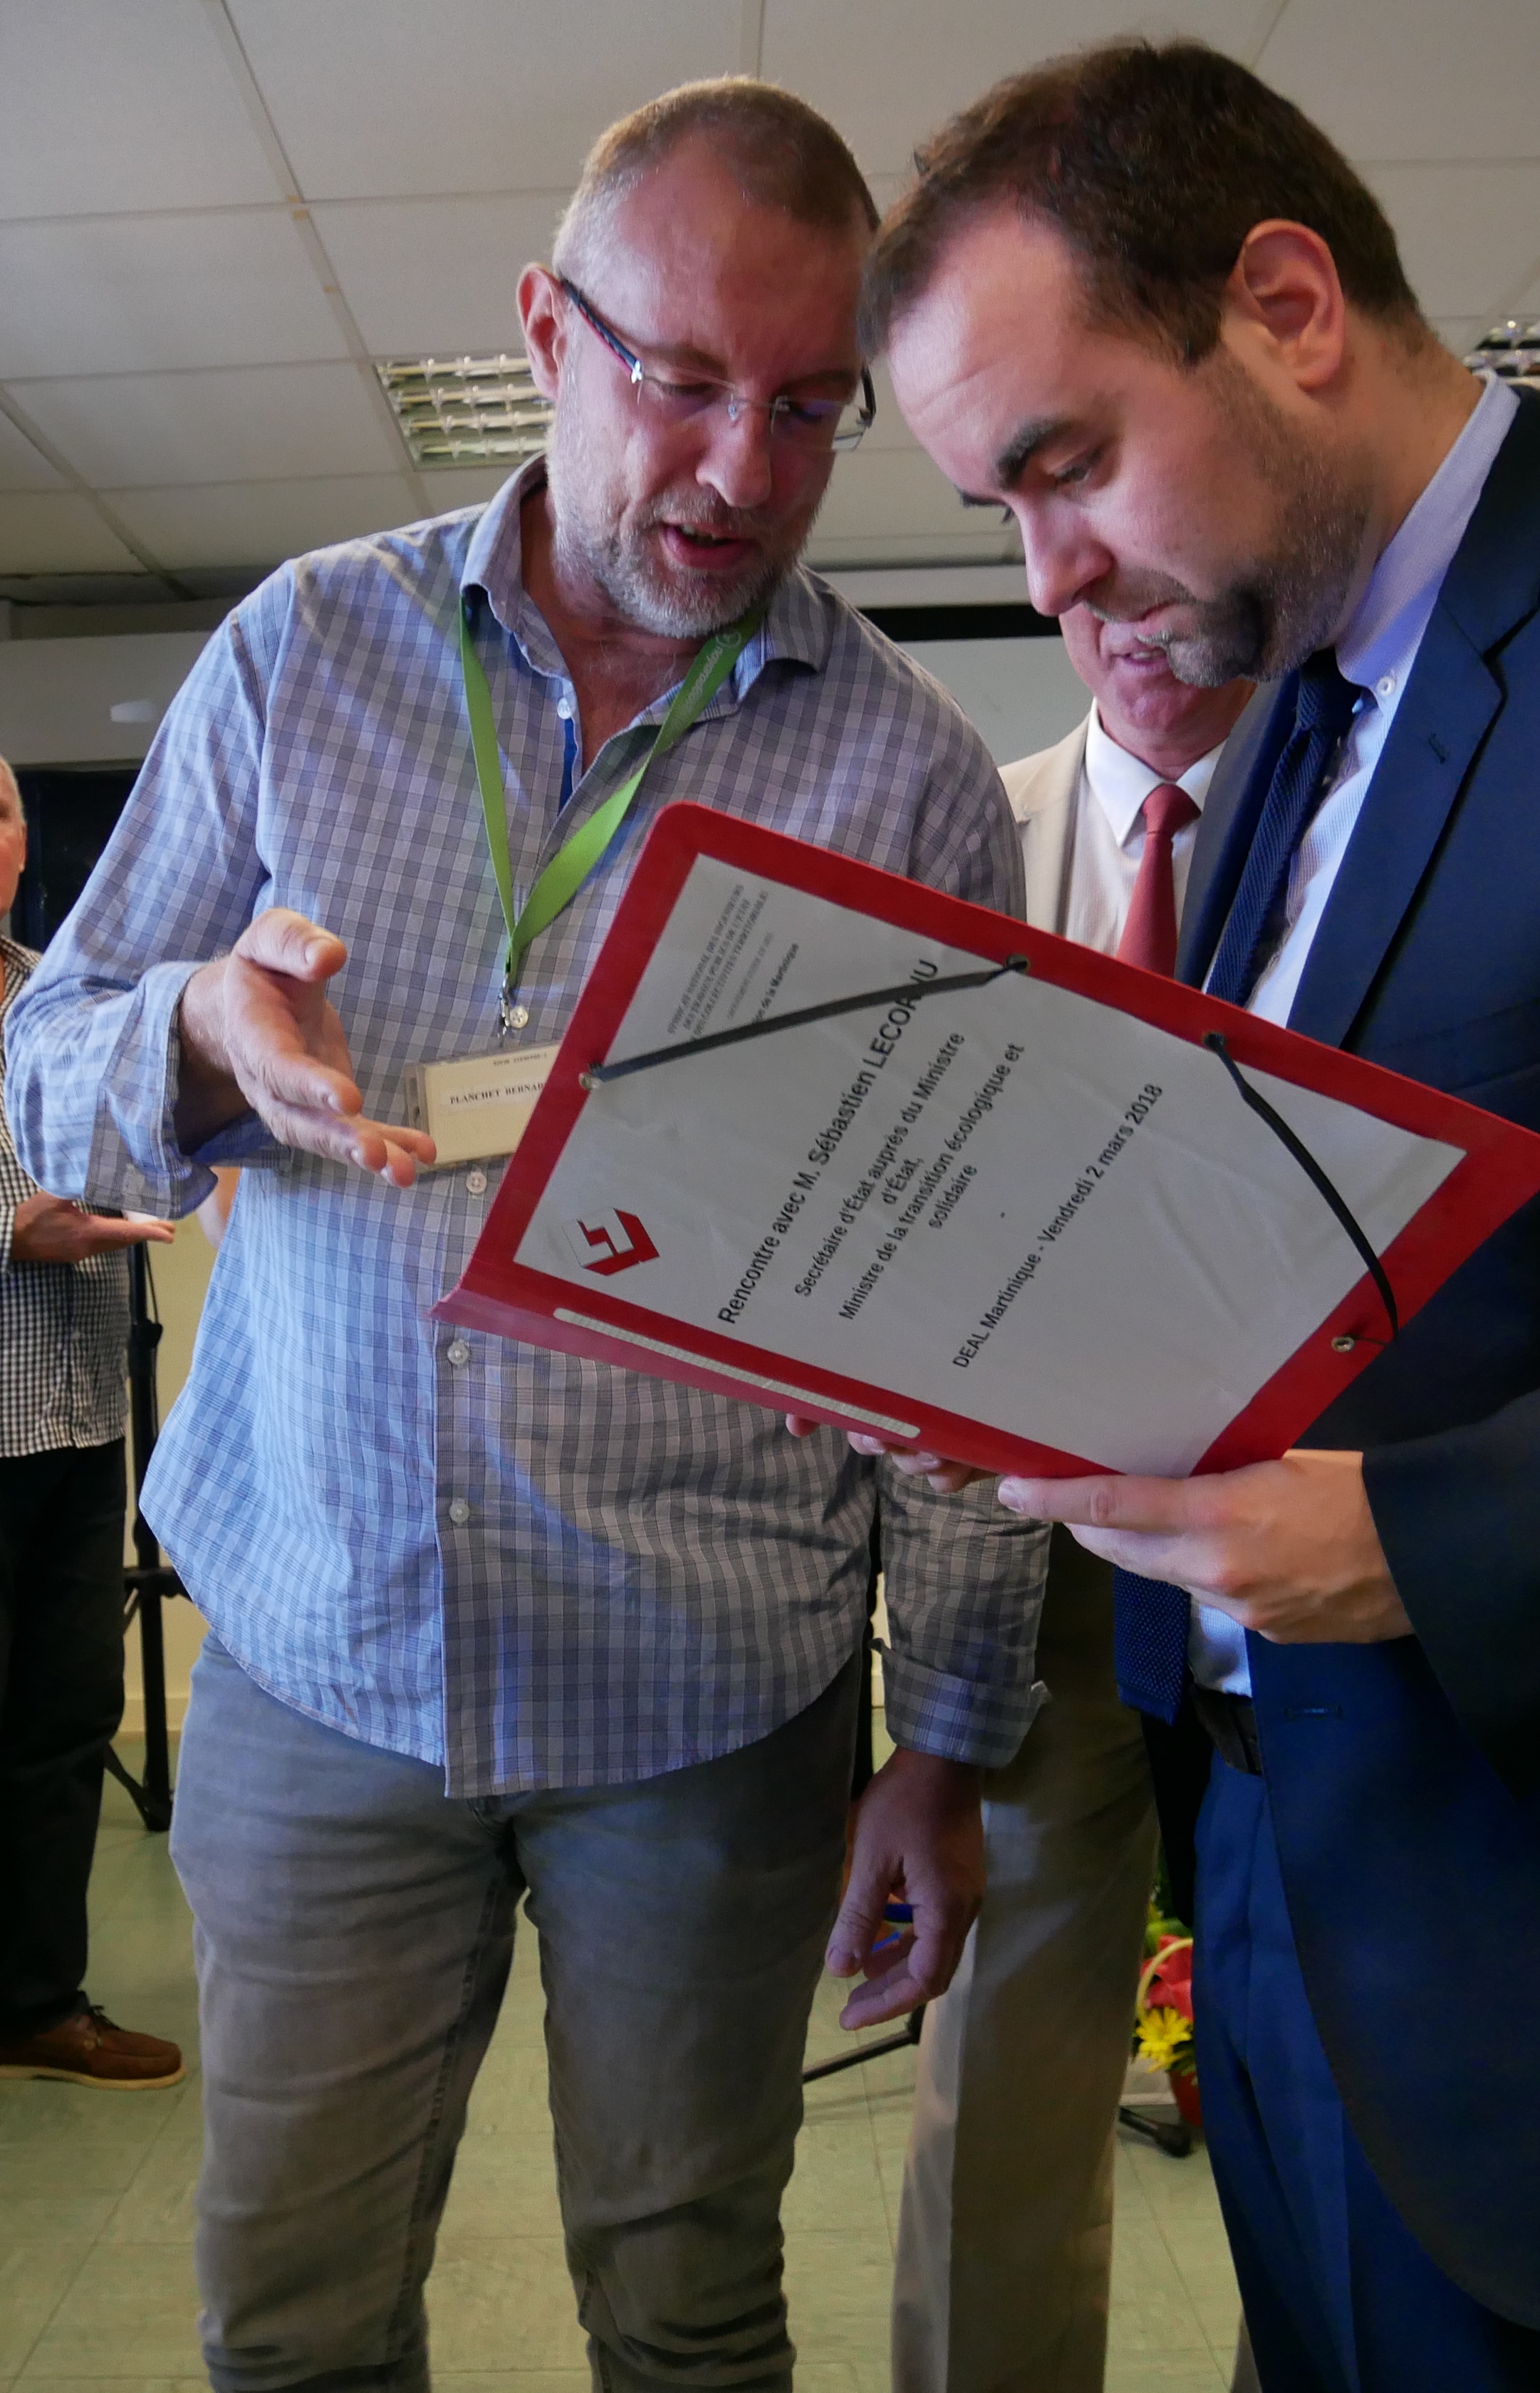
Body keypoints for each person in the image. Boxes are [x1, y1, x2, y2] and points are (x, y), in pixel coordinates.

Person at [6, 81, 1048, 2393]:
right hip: (314, 1651)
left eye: (811, 407)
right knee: (293, 2321)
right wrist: (196, 1030)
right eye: (682, 379)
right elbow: (40, 1065)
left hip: (707, 1693)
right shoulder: (302, 651)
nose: (743, 470)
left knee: (690, 2312)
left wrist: (952, 1736)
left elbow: (947, 1320)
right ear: (546, 335)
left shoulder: (905, 780)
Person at [850, 36, 1540, 2392]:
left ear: (1285, 305)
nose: (1048, 576)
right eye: (997, 508)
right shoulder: (1297, 716)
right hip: (1276, 1922)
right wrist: (1023, 1367)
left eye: (1066, 465)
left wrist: (1430, 1540)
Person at [892, 613, 1251, 2393]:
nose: (1118, 594)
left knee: (1339, 2087)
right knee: (1007, 2083)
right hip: (1036, 1579)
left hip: (1319, 1548)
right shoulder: (963, 850)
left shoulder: (1385, 823)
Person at [0, 755, 180, 2091]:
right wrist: (15, 1226)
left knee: (63, 1717)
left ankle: (36, 2003)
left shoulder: (54, 997)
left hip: (70, 1415)